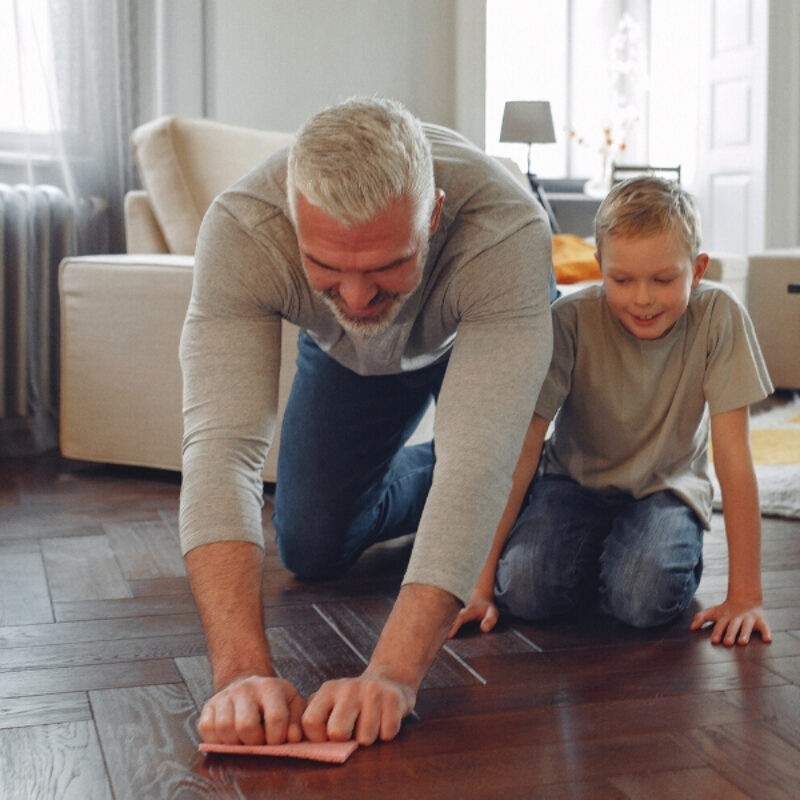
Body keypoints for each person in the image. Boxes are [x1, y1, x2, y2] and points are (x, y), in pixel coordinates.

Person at [179, 97, 555, 747]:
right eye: (327, 267)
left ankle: (532, 467)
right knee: (314, 545)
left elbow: (475, 463)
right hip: (346, 353)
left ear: (433, 216)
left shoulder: (504, 229)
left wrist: (392, 674)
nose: (356, 295)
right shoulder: (246, 226)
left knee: (489, 463)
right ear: (293, 222)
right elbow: (222, 448)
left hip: (480, 324)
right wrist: (238, 675)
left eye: (385, 264)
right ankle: (530, 471)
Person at [450, 176, 774, 649]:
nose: (642, 298)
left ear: (698, 270)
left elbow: (734, 458)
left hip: (667, 489)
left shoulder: (720, 317)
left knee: (643, 601)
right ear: (600, 267)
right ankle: (594, 559)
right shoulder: (570, 320)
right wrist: (478, 585)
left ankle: (620, 560)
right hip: (572, 484)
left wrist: (745, 594)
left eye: (664, 280)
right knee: (525, 589)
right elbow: (523, 448)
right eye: (621, 280)